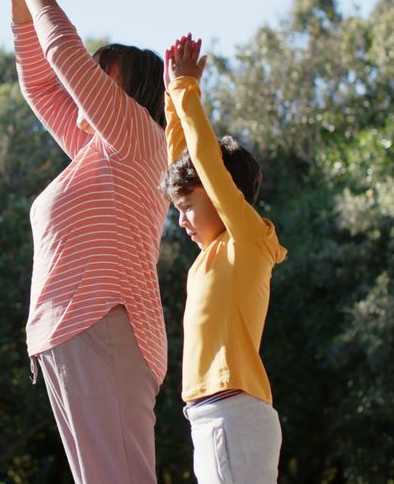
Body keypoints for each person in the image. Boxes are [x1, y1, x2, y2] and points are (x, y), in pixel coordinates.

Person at [6, 0, 168, 483]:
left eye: (107, 71)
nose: (91, 78)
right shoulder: (99, 152)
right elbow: (41, 86)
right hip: (75, 335)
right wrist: (21, 6)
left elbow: (67, 64)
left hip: (107, 326)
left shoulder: (139, 134)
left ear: (132, 91)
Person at [161, 33, 288, 483]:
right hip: (212, 415)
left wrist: (186, 90)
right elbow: (185, 165)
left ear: (222, 196)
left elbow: (206, 167)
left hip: (230, 412)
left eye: (188, 208)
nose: (182, 221)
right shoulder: (215, 253)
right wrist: (172, 100)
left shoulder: (247, 241)